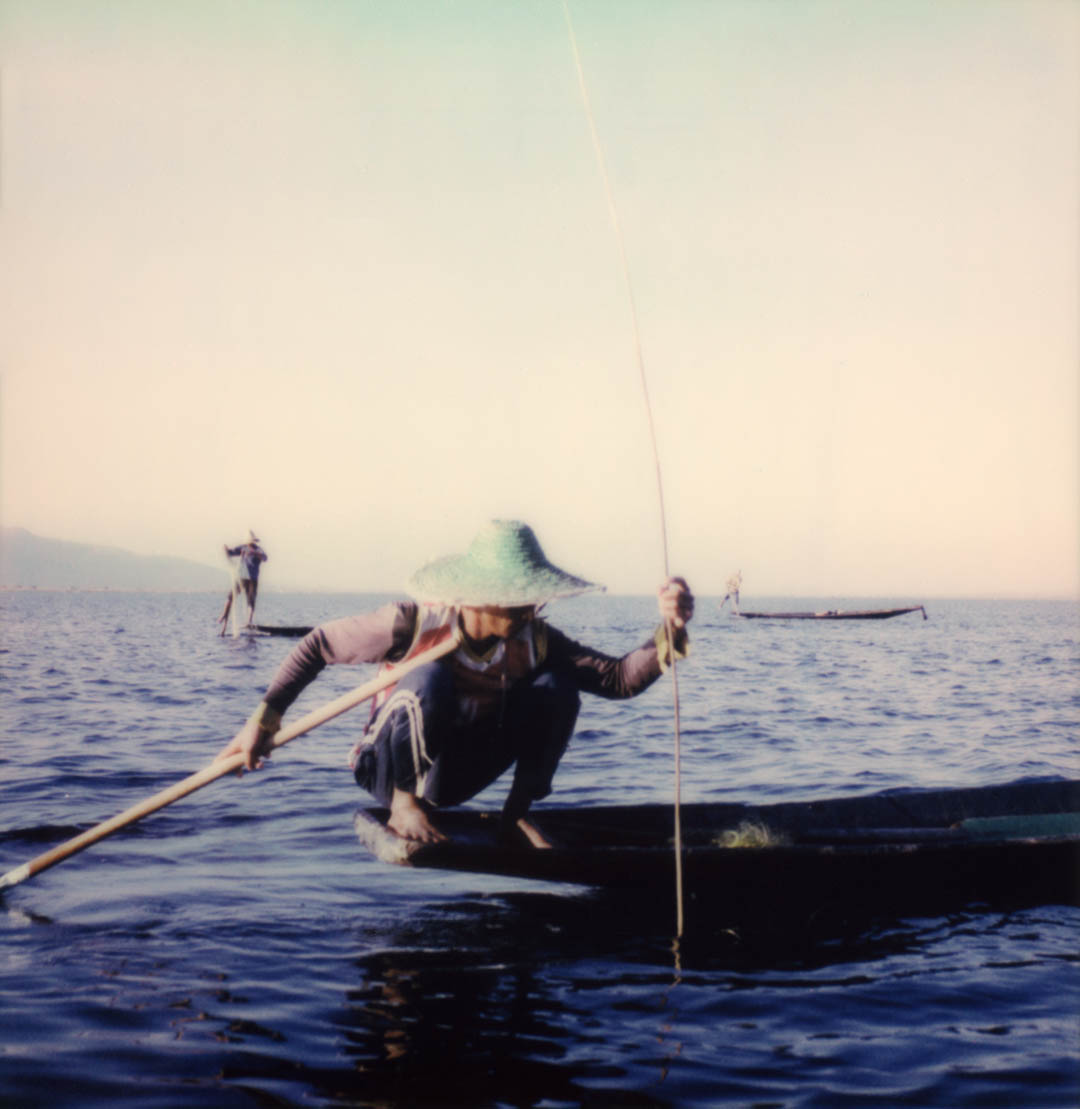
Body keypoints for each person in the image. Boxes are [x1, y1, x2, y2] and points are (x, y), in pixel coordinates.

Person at [215, 519, 694, 847]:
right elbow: (318, 645)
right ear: (480, 595)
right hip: (385, 767)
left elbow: (617, 679)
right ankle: (404, 803)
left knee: (557, 687)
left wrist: (669, 632)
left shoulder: (535, 640)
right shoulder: (412, 624)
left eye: (531, 599)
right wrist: (263, 721)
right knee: (430, 677)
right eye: (516, 599)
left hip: (454, 773)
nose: (529, 609)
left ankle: (518, 813)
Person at [217, 531, 269, 633]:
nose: (251, 543)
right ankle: (224, 614)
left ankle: (249, 621)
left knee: (251, 600)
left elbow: (265, 558)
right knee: (231, 597)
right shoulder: (243, 547)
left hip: (253, 579)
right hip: (241, 577)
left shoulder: (258, 550)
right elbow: (231, 553)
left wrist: (255, 553)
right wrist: (226, 550)